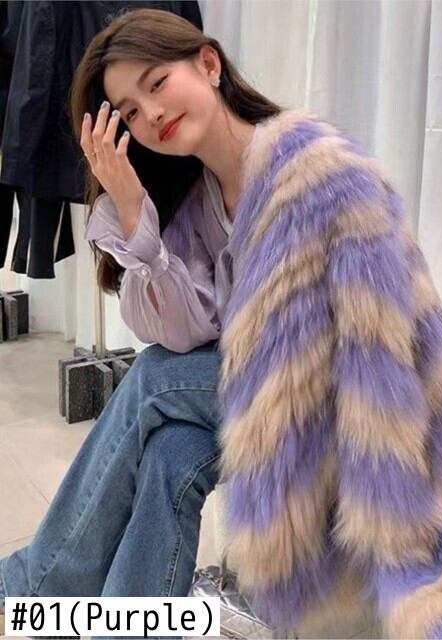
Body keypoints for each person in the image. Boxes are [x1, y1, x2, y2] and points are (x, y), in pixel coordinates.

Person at [0, 7, 284, 639]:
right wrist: (132, 210)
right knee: (170, 454)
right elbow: (185, 333)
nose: (150, 114)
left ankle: (36, 586)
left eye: (157, 84)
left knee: (155, 378)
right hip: (246, 389)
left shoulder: (303, 170)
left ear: (208, 64)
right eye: (129, 111)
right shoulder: (202, 195)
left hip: (329, 401)